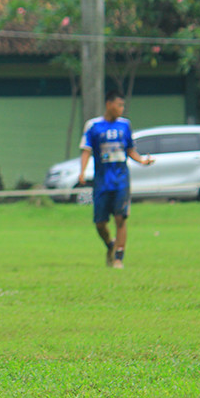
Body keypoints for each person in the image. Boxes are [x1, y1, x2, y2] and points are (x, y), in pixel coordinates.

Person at [78, 90, 155, 269]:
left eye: (123, 105)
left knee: (121, 218)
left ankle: (119, 257)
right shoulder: (93, 126)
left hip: (121, 180)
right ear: (109, 104)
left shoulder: (125, 125)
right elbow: (86, 150)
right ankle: (110, 244)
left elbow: (130, 150)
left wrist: (142, 160)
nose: (121, 108)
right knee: (100, 223)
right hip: (101, 181)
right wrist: (82, 172)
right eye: (119, 105)